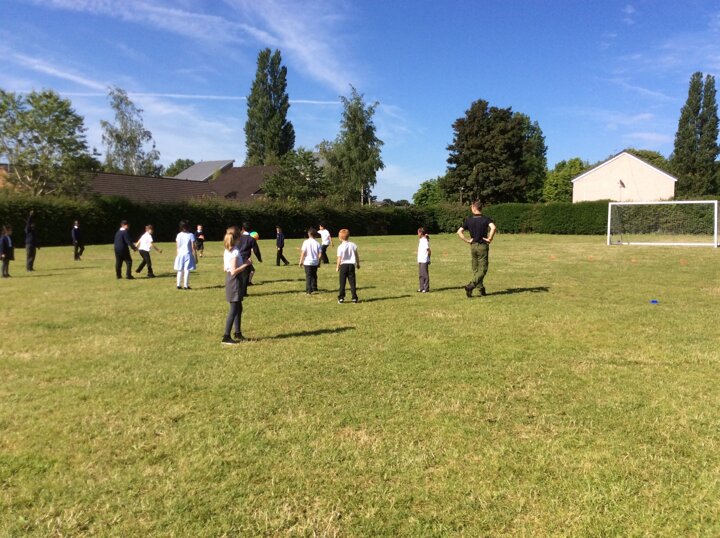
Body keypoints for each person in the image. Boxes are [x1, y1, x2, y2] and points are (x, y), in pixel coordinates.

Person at [457, 201, 497, 297]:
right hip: (482, 246)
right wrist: (490, 238)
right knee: (483, 269)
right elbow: (493, 227)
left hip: (473, 246)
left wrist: (467, 241)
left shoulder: (469, 220)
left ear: (474, 208)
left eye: (471, 207)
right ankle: (471, 285)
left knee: (476, 269)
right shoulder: (485, 219)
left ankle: (481, 289)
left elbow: (459, 231)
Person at [222, 228, 251, 345]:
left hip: (231, 280)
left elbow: (225, 268)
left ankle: (238, 333)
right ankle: (226, 336)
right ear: (238, 238)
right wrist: (246, 264)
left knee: (238, 307)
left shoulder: (227, 250)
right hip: (234, 280)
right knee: (234, 309)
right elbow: (233, 271)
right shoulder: (234, 252)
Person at [336, 228, 360, 303]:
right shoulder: (353, 245)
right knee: (352, 282)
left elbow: (339, 258)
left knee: (342, 282)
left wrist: (337, 266)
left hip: (343, 265)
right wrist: (358, 263)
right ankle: (354, 298)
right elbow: (356, 255)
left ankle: (341, 298)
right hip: (351, 265)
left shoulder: (340, 247)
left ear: (340, 237)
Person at [238, 222, 262, 296]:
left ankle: (236, 290)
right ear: (251, 230)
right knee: (245, 276)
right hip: (245, 259)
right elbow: (256, 250)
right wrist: (259, 258)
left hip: (236, 258)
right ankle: (243, 293)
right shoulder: (251, 239)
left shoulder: (238, 237)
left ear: (242, 228)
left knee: (238, 274)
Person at [174, 220, 196, 290]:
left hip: (180, 254)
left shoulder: (179, 235)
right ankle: (186, 286)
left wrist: (177, 254)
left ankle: (178, 285)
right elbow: (193, 247)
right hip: (188, 254)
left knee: (180, 270)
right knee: (187, 270)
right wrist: (195, 256)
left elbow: (177, 246)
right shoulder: (191, 235)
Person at [299, 227, 320, 294]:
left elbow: (303, 252)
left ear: (309, 234)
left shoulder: (306, 242)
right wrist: (318, 261)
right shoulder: (317, 243)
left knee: (308, 276)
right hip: (315, 262)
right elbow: (320, 253)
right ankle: (314, 288)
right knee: (314, 275)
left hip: (307, 262)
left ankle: (308, 290)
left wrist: (301, 261)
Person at [417, 227, 431, 293]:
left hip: (424, 260)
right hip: (420, 259)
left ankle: (426, 288)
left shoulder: (424, 241)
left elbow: (429, 251)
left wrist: (429, 259)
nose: (417, 234)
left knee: (425, 274)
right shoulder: (421, 240)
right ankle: (421, 287)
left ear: (421, 233)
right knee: (421, 275)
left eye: (418, 233)